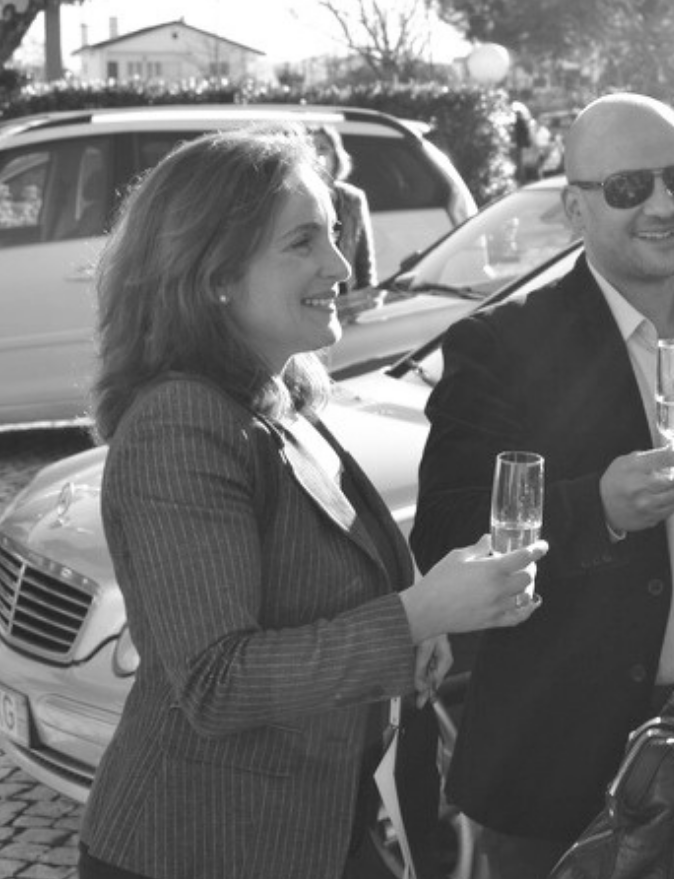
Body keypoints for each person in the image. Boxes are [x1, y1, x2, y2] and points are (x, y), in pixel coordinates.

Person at [76, 125, 547, 879]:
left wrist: (417, 624)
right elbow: (215, 682)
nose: (340, 264)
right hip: (197, 850)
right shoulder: (182, 422)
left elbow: (316, 592)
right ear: (214, 274)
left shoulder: (280, 394)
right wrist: (416, 614)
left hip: (315, 836)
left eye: (333, 232)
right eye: (302, 242)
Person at [410, 92, 674, 876]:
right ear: (574, 209)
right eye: (629, 187)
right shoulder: (503, 344)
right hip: (571, 760)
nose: (663, 205)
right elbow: (447, 532)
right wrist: (596, 508)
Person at [309, 124, 379, 315]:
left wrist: (368, 300)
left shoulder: (352, 199)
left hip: (346, 302)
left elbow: (365, 262)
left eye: (323, 148)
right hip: (314, 300)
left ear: (336, 156)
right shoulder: (296, 199)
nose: (317, 156)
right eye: (310, 149)